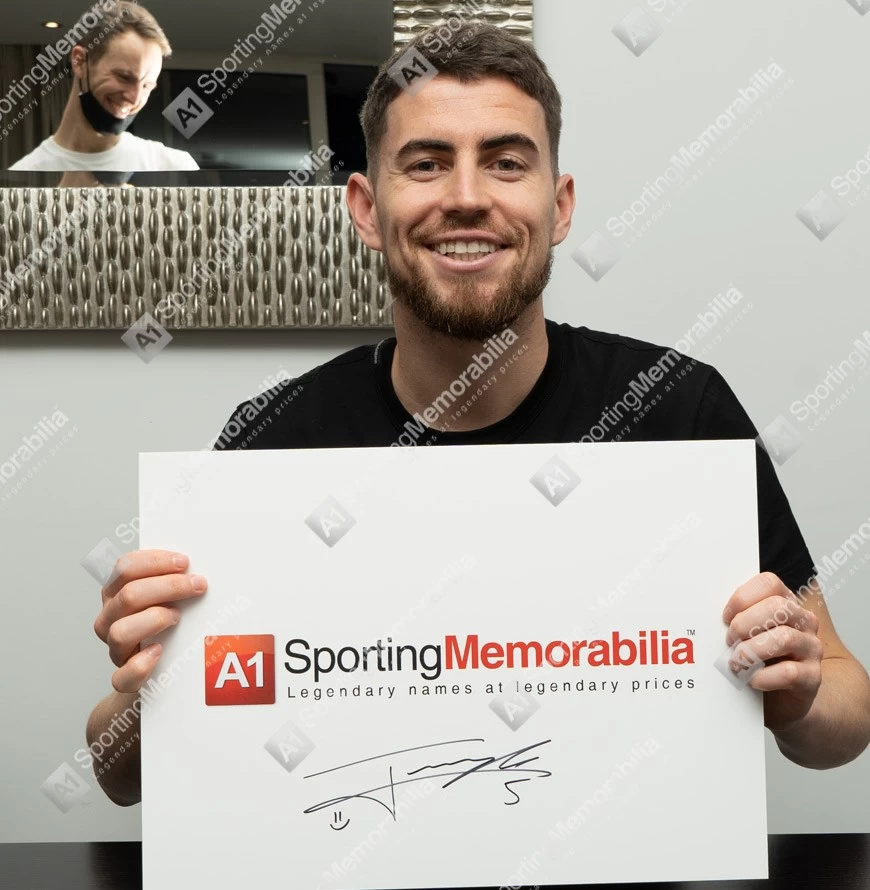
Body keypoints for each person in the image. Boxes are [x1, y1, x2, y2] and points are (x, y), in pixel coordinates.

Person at [86, 22, 870, 809]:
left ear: (559, 207)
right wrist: (153, 684)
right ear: (366, 209)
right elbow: (120, 779)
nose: (466, 198)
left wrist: (796, 694)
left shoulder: (678, 407)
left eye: (506, 163)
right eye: (426, 164)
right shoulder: (275, 440)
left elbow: (847, 709)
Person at [9, 1, 197, 173]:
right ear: (79, 61)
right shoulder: (25, 174)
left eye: (147, 85)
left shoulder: (175, 168)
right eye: (124, 77)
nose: (135, 99)